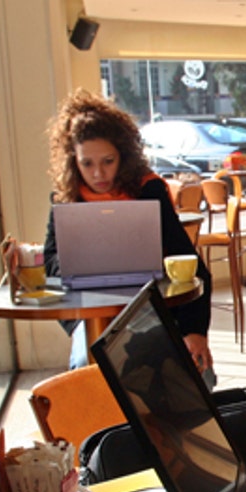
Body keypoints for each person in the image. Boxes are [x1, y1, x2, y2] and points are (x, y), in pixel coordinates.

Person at [41, 90, 214, 383]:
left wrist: (194, 331)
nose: (98, 174)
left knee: (192, 374)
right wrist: (75, 266)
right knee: (89, 368)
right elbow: (50, 262)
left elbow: (190, 264)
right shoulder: (65, 200)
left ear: (123, 154)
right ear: (74, 162)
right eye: (87, 164)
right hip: (90, 312)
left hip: (147, 306)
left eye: (108, 161)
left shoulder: (148, 191)